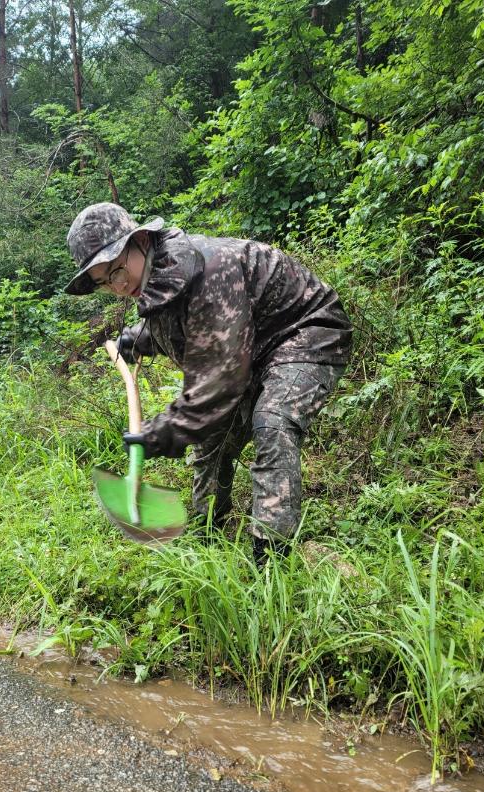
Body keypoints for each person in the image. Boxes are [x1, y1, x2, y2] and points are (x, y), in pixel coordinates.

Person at [65, 202, 352, 564]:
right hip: (250, 347)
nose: (119, 287)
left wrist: (162, 432)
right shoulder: (158, 274)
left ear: (140, 240)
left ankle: (272, 558)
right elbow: (179, 321)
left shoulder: (214, 269)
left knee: (272, 422)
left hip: (305, 331)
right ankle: (207, 534)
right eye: (105, 282)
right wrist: (137, 339)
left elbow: (218, 380)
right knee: (211, 439)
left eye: (118, 271)